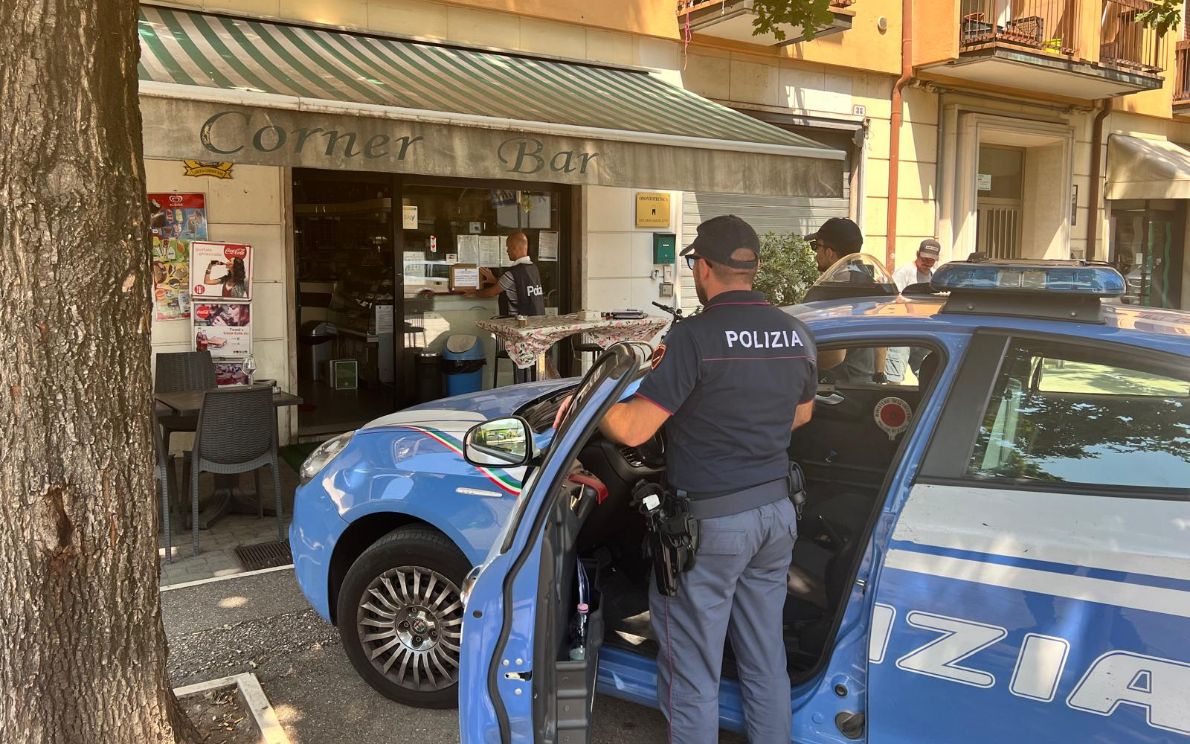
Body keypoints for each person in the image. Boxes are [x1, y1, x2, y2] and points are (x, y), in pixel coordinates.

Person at [596, 215, 816, 744]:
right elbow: (802, 415)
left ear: (705, 269)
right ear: (755, 266)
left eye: (695, 263)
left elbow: (630, 429)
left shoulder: (694, 337)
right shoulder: (796, 331)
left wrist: (593, 399)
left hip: (712, 526)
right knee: (764, 656)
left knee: (693, 669)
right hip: (777, 515)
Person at [807, 218, 889, 383]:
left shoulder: (837, 288)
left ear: (830, 252)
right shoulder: (867, 281)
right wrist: (879, 373)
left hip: (839, 390)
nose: (816, 253)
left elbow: (835, 356)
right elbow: (880, 336)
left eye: (817, 247)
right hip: (864, 382)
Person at [468, 231, 545, 382]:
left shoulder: (512, 273)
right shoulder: (533, 269)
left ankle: (522, 392)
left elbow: (492, 292)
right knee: (534, 364)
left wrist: (474, 293)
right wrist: (494, 279)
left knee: (521, 365)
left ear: (515, 248)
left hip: (518, 327)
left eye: (508, 248)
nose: (507, 251)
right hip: (536, 325)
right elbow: (515, 288)